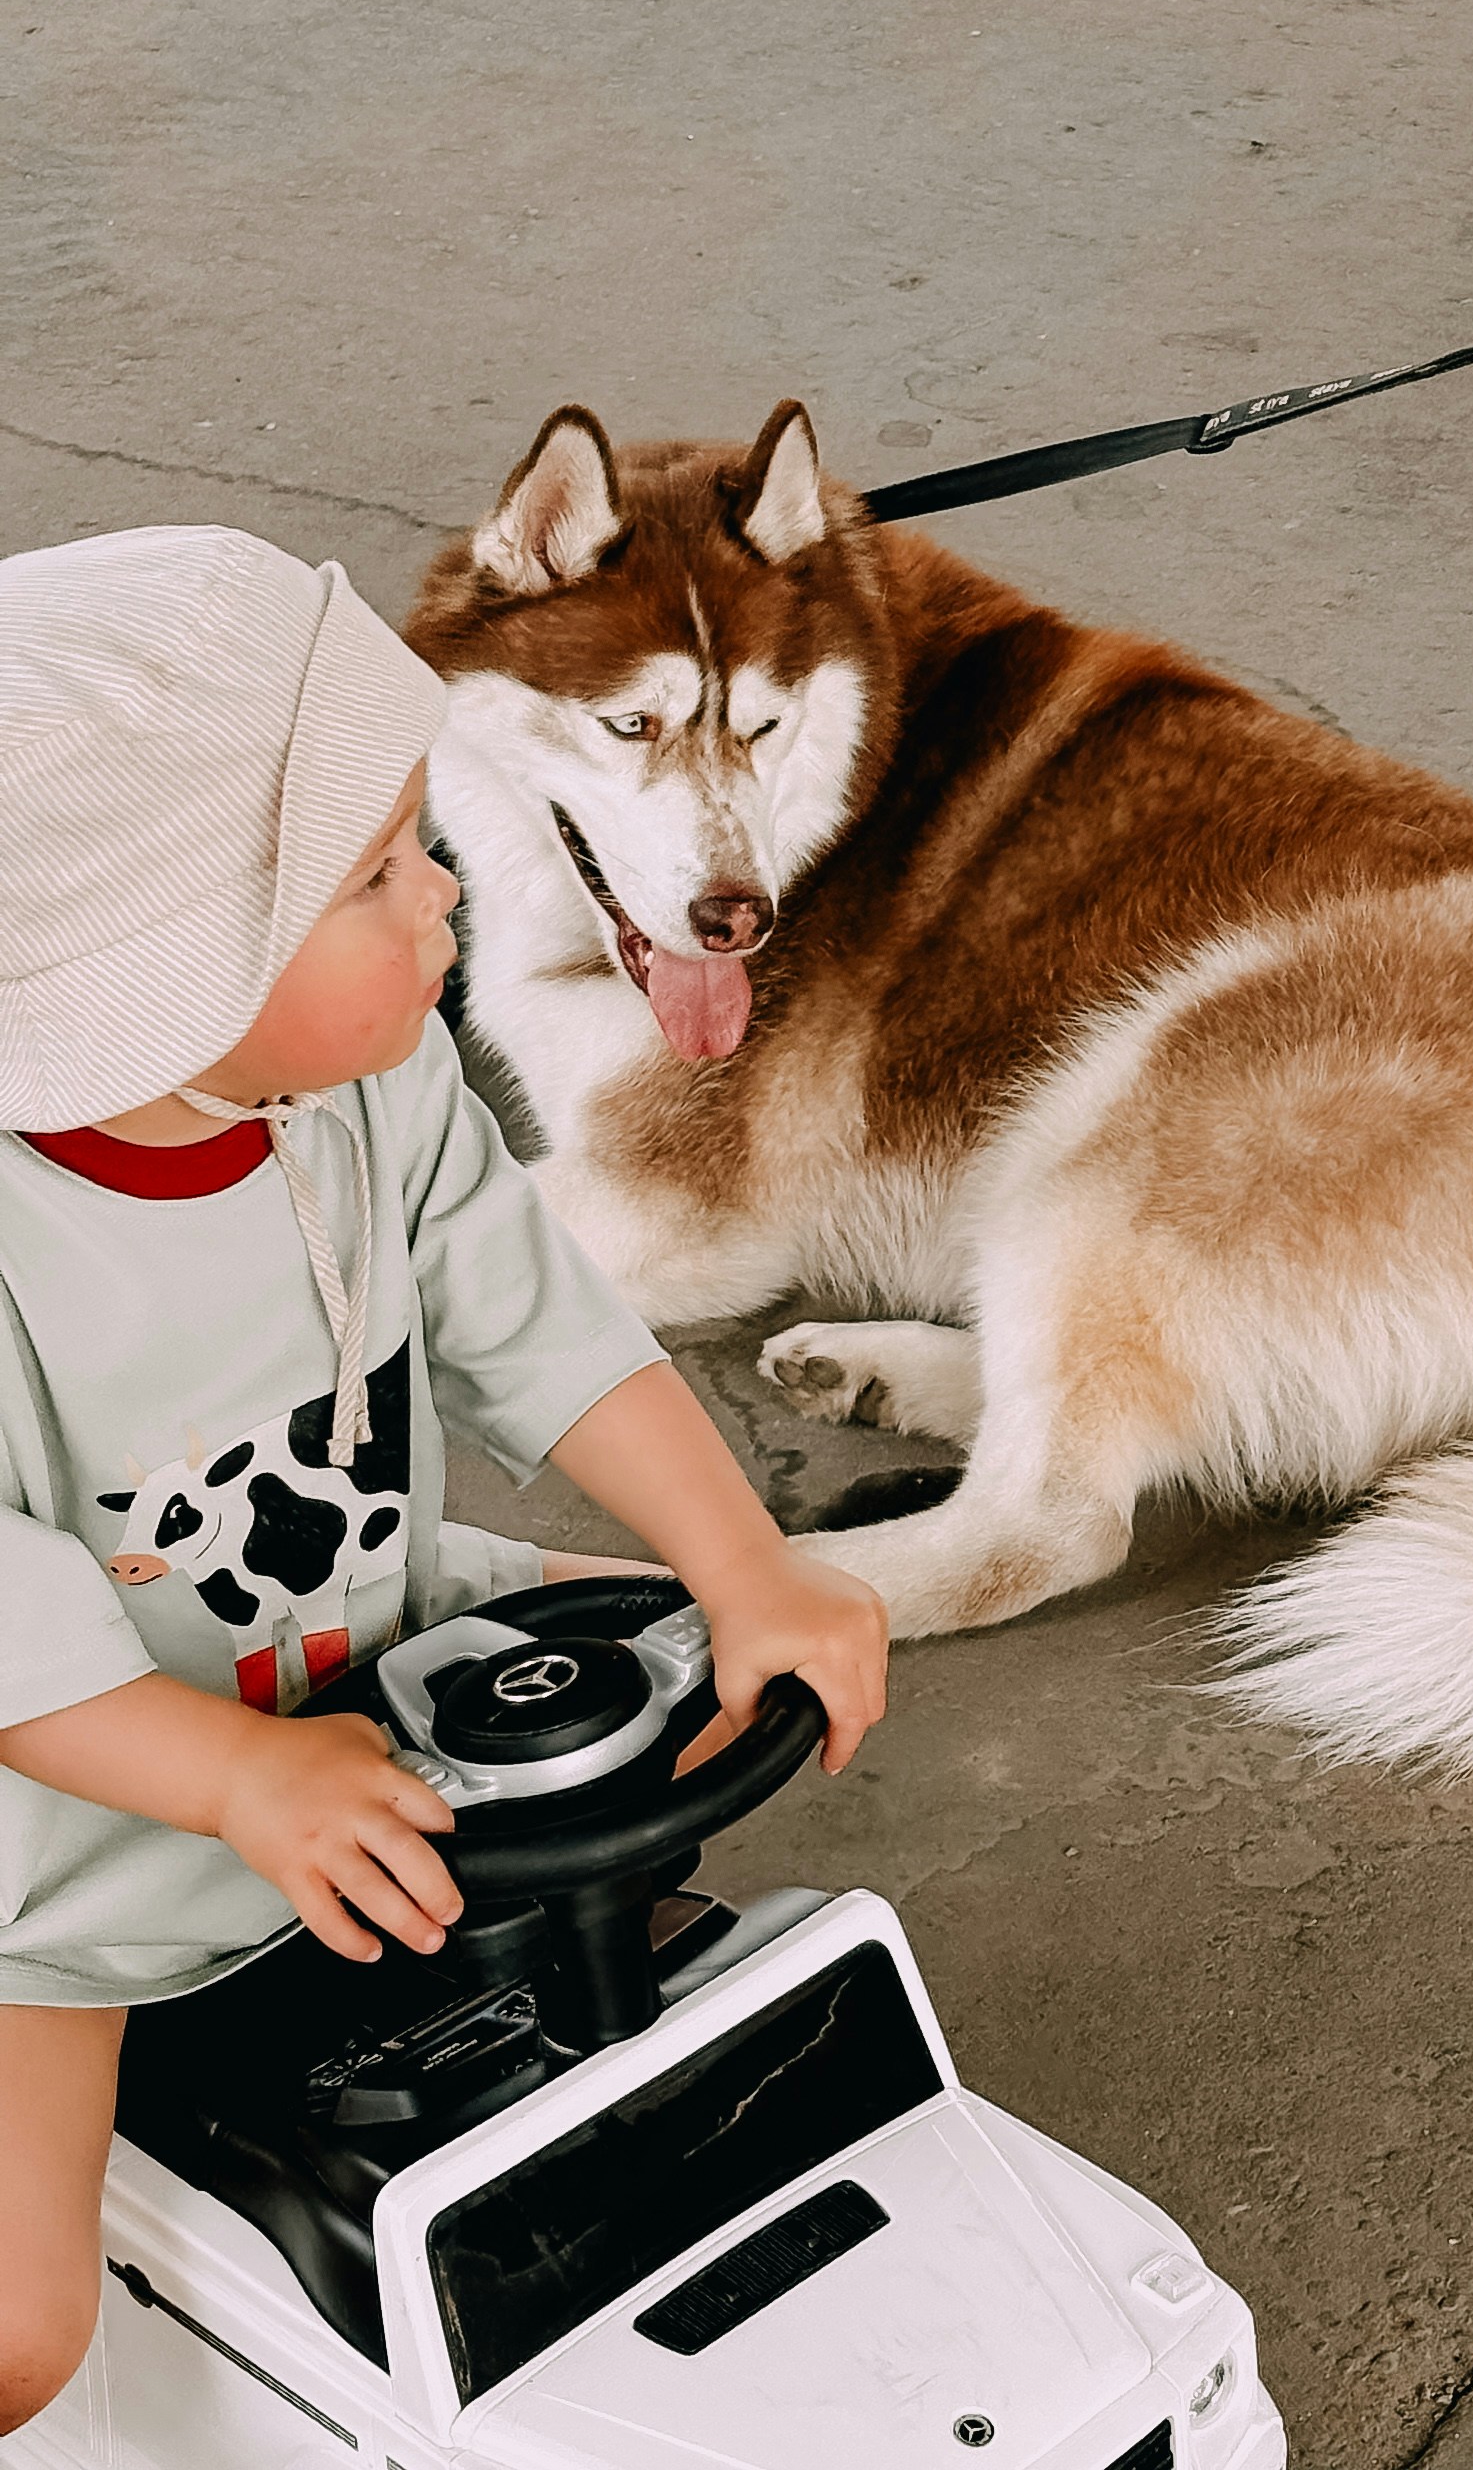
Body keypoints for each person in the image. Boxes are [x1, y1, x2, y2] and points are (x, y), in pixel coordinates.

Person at [0, 525, 888, 2433]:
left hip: (359, 1651)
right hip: (54, 1851)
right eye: (376, 875)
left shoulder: (372, 1090)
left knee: (651, 1949)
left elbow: (537, 1325)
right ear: (158, 962)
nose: (449, 896)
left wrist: (744, 1560)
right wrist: (232, 1777)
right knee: (17, 2330)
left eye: (423, 843)